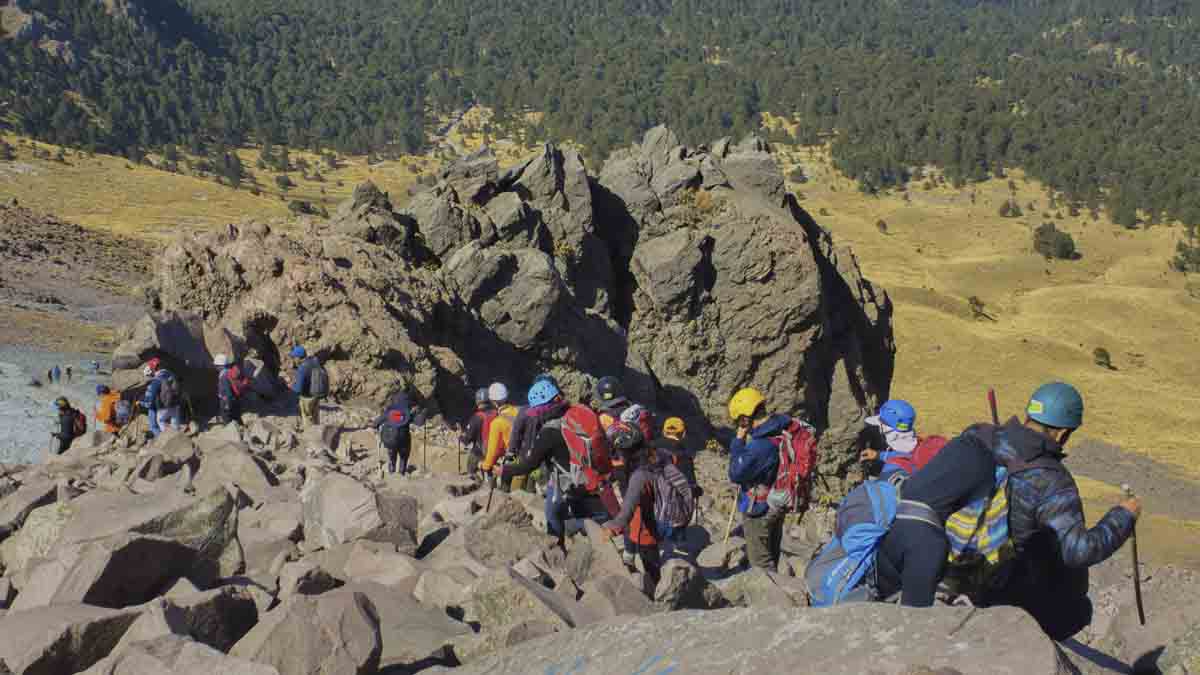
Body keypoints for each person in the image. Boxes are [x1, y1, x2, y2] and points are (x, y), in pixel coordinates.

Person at [975, 382, 1140, 640]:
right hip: (1024, 593)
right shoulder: (1052, 481)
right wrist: (1124, 515)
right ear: (1062, 433)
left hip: (978, 572)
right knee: (1078, 612)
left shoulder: (989, 441)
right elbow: (1078, 551)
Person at [496, 379, 613, 540]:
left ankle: (558, 547)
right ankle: (590, 538)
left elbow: (528, 465)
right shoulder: (577, 411)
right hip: (591, 474)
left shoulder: (549, 432)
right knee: (582, 510)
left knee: (552, 515)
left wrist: (504, 470)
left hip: (568, 481)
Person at [727, 387, 789, 571]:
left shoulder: (760, 446)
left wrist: (738, 441)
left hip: (760, 510)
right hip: (776, 502)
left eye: (739, 420)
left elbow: (736, 473)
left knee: (761, 565)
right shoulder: (779, 428)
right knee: (772, 554)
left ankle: (770, 598)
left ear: (745, 418)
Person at [600, 422, 663, 594]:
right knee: (653, 554)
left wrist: (612, 528)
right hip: (660, 515)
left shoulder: (638, 475)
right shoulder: (656, 456)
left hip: (646, 526)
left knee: (651, 565)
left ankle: (657, 592)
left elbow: (627, 509)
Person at [858, 399, 946, 480]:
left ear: (885, 430)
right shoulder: (921, 444)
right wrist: (879, 455)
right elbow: (907, 455)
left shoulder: (891, 470)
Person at [370, 392, 426, 475]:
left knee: (392, 456)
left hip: (390, 440)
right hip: (404, 442)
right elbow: (420, 423)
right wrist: (422, 412)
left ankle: (392, 470)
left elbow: (374, 424)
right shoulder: (408, 415)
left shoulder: (388, 413)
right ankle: (401, 472)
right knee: (403, 457)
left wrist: (377, 427)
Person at [480, 382, 519, 491]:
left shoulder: (497, 423)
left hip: (512, 461)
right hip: (527, 458)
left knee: (505, 492)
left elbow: (493, 451)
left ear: (493, 402)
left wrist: (486, 466)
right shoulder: (518, 411)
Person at [459, 388, 494, 480]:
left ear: (477, 401)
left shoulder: (477, 417)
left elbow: (467, 439)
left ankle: (475, 482)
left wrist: (461, 437)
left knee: (471, 466)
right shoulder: (496, 414)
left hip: (480, 451)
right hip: (496, 449)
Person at [141, 358, 182, 437]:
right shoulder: (171, 374)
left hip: (163, 407)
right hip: (176, 404)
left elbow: (151, 398)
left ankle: (167, 441)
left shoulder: (156, 380)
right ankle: (179, 439)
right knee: (175, 425)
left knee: (161, 422)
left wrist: (143, 402)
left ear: (153, 368)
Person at [289, 346, 326, 428]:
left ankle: (310, 435)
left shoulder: (302, 368)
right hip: (316, 396)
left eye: (294, 357)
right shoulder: (314, 362)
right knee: (315, 418)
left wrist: (291, 387)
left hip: (306, 398)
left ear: (298, 357)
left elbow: (298, 389)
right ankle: (317, 434)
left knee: (307, 420)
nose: (293, 360)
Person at [216, 354, 252, 425]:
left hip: (227, 400)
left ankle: (233, 433)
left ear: (221, 366)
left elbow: (227, 391)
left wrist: (227, 404)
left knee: (227, 420)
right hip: (235, 399)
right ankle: (242, 429)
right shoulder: (230, 372)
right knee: (237, 417)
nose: (216, 367)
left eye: (216, 365)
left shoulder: (223, 376)